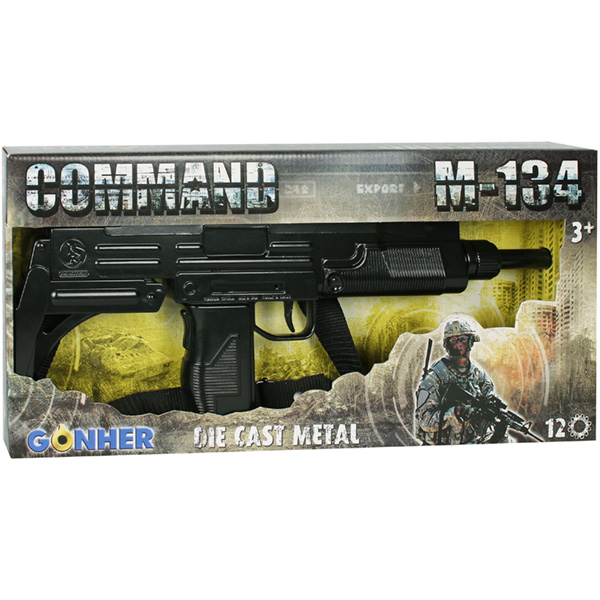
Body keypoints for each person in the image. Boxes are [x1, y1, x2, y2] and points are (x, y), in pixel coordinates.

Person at [416, 319, 509, 444]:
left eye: (463, 340)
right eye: (453, 340)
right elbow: (425, 421)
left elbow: (490, 403)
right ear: (447, 344)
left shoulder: (479, 375)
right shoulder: (436, 376)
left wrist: (498, 429)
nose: (458, 344)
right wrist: (454, 412)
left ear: (470, 342)